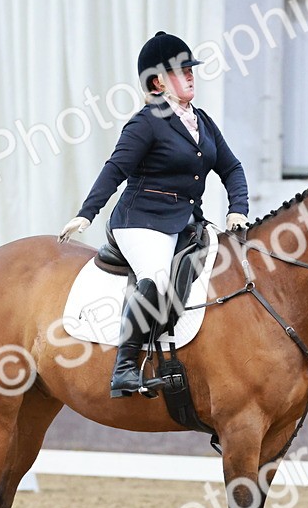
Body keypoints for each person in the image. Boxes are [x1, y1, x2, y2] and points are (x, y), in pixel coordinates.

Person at [58, 31, 250, 397]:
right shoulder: (147, 121)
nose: (191, 75)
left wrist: (237, 209)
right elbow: (115, 169)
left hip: (187, 221)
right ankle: (125, 367)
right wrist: (86, 214)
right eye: (182, 70)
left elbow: (232, 168)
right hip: (142, 220)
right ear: (158, 81)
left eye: (192, 69)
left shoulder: (202, 122)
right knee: (157, 276)